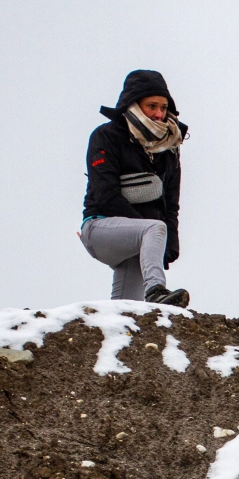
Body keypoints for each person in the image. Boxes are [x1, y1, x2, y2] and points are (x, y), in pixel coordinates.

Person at [80, 70, 190, 307]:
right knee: (155, 228)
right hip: (99, 226)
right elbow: (105, 194)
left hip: (141, 239)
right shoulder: (105, 137)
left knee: (127, 311)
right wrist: (151, 234)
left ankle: (120, 335)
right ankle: (156, 292)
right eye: (152, 106)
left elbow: (171, 206)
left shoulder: (170, 149)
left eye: (164, 107)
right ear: (134, 104)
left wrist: (169, 246)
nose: (159, 114)